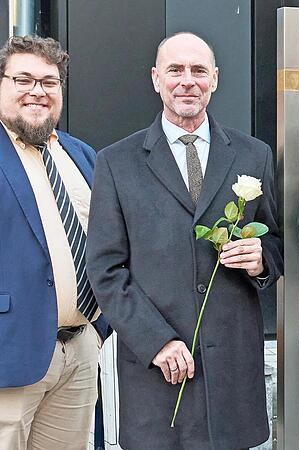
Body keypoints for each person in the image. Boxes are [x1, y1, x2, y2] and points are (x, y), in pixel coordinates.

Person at [86, 32, 282, 449]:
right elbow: (106, 270)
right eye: (175, 70)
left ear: (215, 78)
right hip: (159, 368)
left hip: (231, 366)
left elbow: (277, 242)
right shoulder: (116, 162)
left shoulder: (254, 155)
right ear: (156, 79)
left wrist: (261, 258)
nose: (187, 80)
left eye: (198, 70)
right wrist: (156, 340)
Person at [0, 35, 103, 449]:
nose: (37, 91)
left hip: (79, 353)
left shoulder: (83, 155)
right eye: (23, 79)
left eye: (49, 81)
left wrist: (99, 328)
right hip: (9, 353)